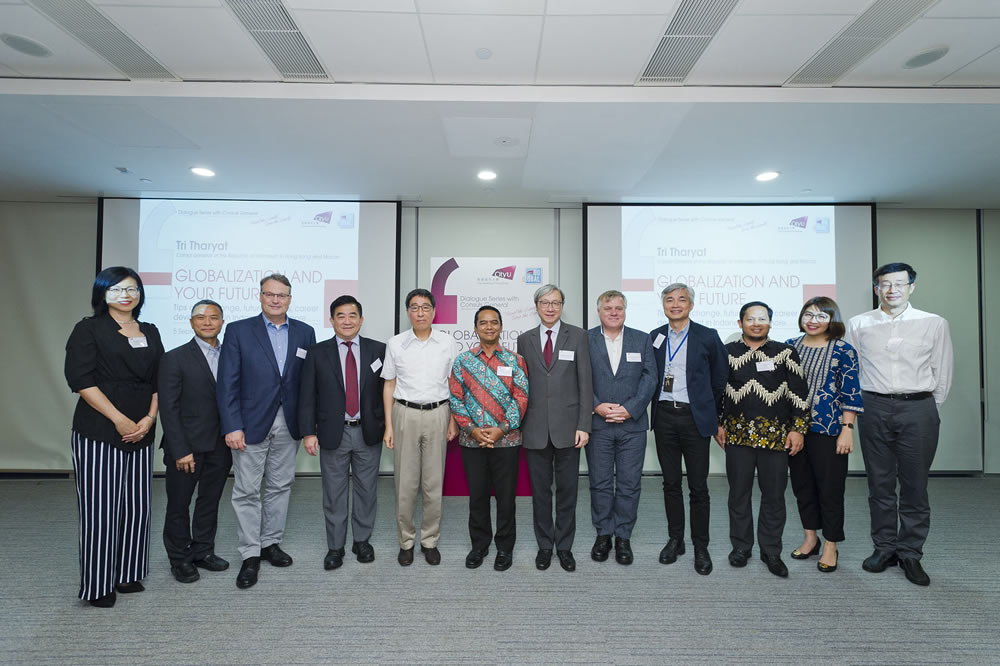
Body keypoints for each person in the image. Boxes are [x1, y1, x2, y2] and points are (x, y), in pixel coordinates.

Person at [64, 266, 164, 608]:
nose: (126, 295)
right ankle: (98, 584)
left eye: (133, 288)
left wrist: (149, 419)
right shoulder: (88, 329)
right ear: (102, 294)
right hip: (100, 429)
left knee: (137, 508)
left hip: (142, 430)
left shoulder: (150, 331)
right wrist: (120, 420)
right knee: (101, 509)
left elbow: (158, 382)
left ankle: (127, 573)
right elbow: (81, 381)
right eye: (117, 289)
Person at [847, 262, 953, 586]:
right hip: (873, 408)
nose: (892, 289)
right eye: (885, 284)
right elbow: (854, 370)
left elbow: (943, 370)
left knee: (914, 486)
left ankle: (910, 553)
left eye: (899, 284)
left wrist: (924, 408)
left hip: (918, 408)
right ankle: (884, 548)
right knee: (879, 485)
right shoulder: (859, 324)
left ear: (912, 287)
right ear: (877, 288)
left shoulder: (933, 323)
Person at [217, 273, 316, 589]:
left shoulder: (305, 332)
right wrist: (232, 425)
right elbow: (227, 383)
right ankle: (250, 553)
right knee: (246, 489)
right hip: (249, 424)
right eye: (269, 294)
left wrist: (309, 424)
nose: (276, 300)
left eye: (282, 295)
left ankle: (271, 543)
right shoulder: (238, 330)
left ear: (290, 298)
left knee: (280, 485)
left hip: (290, 423)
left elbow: (309, 383)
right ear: (260, 296)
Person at [716, 301, 810, 578]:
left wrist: (798, 429)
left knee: (774, 497)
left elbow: (799, 393)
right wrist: (716, 424)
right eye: (750, 318)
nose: (756, 323)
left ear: (770, 322)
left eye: (762, 318)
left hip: (776, 438)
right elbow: (718, 391)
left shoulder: (785, 352)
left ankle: (771, 551)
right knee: (738, 495)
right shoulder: (727, 352)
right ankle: (741, 548)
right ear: (740, 323)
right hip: (737, 436)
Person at [298, 295, 386, 571]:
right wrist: (308, 433)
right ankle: (335, 546)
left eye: (352, 315)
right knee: (334, 493)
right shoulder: (317, 352)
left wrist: (388, 426)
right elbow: (306, 396)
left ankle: (362, 541)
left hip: (368, 431)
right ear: (331, 320)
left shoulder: (379, 350)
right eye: (340, 315)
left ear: (361, 319)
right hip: (332, 432)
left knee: (367, 490)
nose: (347, 321)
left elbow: (387, 392)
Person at [649, 283, 728, 575]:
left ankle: (700, 545)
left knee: (698, 487)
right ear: (664, 305)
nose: (675, 304)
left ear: (691, 305)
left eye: (681, 299)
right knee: (670, 483)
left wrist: (711, 410)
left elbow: (721, 377)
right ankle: (676, 539)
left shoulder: (708, 336)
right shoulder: (655, 336)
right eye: (669, 300)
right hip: (664, 418)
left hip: (695, 418)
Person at [517, 284, 592, 572]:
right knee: (540, 493)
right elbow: (521, 386)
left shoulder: (579, 336)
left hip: (569, 428)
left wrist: (584, 425)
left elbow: (586, 384)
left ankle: (564, 547)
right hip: (534, 427)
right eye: (545, 303)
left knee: (568, 491)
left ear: (562, 306)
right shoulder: (525, 340)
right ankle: (545, 546)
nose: (550, 308)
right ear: (536, 306)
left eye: (556, 303)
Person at [382, 288, 460, 566]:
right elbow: (389, 384)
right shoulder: (395, 344)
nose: (420, 312)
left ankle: (429, 541)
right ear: (407, 312)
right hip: (405, 414)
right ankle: (406, 541)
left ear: (434, 311)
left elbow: (454, 385)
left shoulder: (447, 343)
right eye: (414, 307)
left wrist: (453, 420)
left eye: (425, 307)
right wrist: (389, 425)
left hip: (439, 414)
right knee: (405, 483)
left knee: (433, 482)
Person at [785, 297, 863, 573]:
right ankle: (810, 538)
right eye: (808, 314)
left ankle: (831, 544)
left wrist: (847, 430)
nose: (813, 320)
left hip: (829, 430)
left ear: (832, 320)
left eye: (820, 316)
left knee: (830, 489)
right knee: (802, 486)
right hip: (794, 430)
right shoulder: (789, 347)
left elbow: (850, 392)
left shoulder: (844, 350)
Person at [448, 306, 529, 571]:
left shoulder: (515, 360)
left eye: (494, 322)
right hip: (472, 441)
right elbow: (456, 399)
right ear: (475, 328)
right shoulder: (462, 361)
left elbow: (521, 396)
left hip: (507, 441)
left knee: (506, 498)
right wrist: (472, 430)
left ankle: (505, 548)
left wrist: (501, 429)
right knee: (478, 497)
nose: (489, 327)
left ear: (501, 327)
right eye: (483, 323)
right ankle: (479, 546)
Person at [158, 300, 233, 584]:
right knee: (179, 505)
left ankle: (203, 550)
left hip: (220, 445)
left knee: (209, 502)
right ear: (190, 322)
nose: (207, 322)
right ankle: (179, 558)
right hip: (186, 448)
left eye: (213, 317)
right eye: (200, 317)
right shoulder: (174, 358)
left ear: (222, 322)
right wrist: (180, 449)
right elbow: (169, 407)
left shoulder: (230, 355)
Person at [586, 290, 657, 565]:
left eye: (619, 308)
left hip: (633, 425)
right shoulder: (586, 339)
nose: (614, 312)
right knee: (600, 483)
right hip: (598, 423)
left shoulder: (642, 338)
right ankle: (604, 533)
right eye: (608, 308)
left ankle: (623, 536)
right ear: (599, 311)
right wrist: (596, 406)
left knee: (629, 484)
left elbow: (650, 378)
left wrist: (630, 409)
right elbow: (579, 377)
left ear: (625, 310)